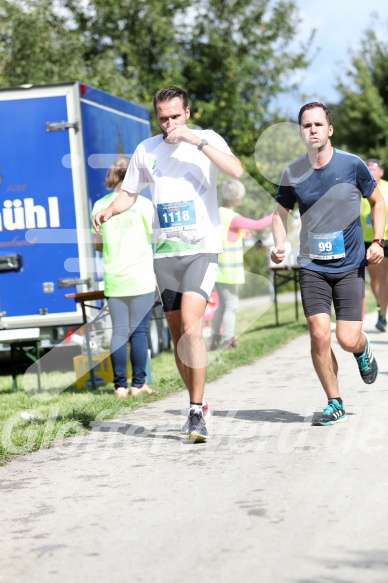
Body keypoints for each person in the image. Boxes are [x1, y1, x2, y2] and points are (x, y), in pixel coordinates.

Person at [93, 86, 243, 442]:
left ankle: (195, 412)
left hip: (200, 250)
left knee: (192, 327)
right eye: (163, 118)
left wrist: (195, 141)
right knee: (179, 338)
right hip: (165, 254)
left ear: (187, 112)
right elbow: (130, 192)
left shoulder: (206, 139)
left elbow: (235, 170)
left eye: (175, 116)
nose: (169, 123)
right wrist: (110, 210)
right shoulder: (147, 149)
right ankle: (199, 401)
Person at [271, 102, 386, 426]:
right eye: (306, 125)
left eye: (318, 124)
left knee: (347, 338)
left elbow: (378, 203)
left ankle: (363, 350)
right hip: (312, 266)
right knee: (319, 334)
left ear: (329, 129)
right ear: (301, 132)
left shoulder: (352, 165)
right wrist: (279, 245)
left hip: (349, 265)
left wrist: (377, 241)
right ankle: (333, 401)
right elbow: (280, 214)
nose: (313, 130)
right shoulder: (293, 172)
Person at [92, 155, 155, 398]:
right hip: (141, 277)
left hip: (114, 277)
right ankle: (139, 385)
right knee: (139, 332)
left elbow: (98, 246)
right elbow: (154, 239)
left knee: (118, 331)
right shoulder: (144, 205)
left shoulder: (100, 206)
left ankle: (119, 386)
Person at [209, 179, 273, 350]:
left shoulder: (218, 213)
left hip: (218, 269)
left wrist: (238, 233)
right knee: (232, 305)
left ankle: (214, 338)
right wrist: (278, 213)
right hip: (228, 271)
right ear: (238, 199)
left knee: (223, 305)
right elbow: (258, 225)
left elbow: (227, 234)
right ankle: (228, 339)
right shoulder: (233, 217)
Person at [360, 158, 388, 331]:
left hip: (384, 237)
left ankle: (382, 316)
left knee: (383, 275)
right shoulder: (360, 186)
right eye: (368, 168)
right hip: (365, 239)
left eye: (374, 168)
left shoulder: (386, 187)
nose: (371, 171)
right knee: (374, 278)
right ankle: (380, 306)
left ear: (381, 172)